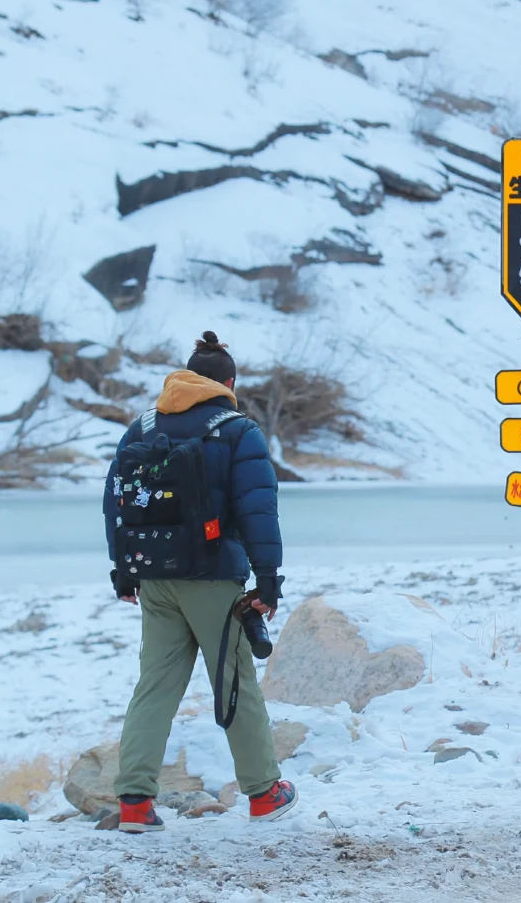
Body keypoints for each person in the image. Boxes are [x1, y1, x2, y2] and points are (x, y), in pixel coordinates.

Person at [103, 330, 297, 832]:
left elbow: (116, 502)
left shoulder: (140, 427)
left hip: (154, 578)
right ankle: (264, 792)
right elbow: (258, 510)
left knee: (155, 687)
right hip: (213, 577)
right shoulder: (237, 430)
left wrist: (124, 570)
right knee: (235, 682)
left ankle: (135, 804)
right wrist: (268, 580)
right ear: (229, 383)